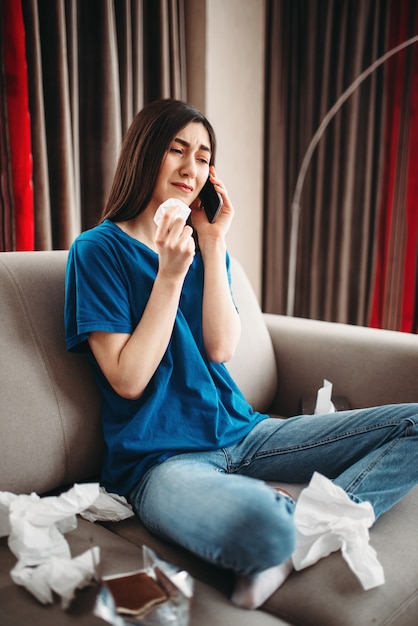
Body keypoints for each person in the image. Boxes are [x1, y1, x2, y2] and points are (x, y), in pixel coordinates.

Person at [65, 98, 418, 609]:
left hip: (247, 433)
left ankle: (297, 538)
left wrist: (213, 242)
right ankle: (286, 536)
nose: (192, 168)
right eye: (176, 150)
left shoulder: (204, 244)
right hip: (162, 460)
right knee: (266, 526)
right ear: (145, 154)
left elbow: (220, 347)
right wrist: (169, 274)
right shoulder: (97, 251)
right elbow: (128, 379)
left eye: (204, 157)